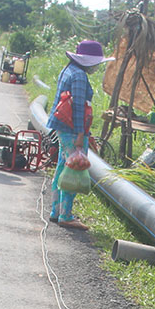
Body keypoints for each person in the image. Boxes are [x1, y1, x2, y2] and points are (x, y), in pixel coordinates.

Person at [47, 40, 112, 230]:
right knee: (74, 169)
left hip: (62, 127)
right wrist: (80, 135)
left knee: (62, 166)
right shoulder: (79, 77)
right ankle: (66, 215)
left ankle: (56, 211)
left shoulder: (69, 70)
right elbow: (77, 108)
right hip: (72, 129)